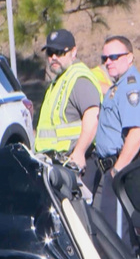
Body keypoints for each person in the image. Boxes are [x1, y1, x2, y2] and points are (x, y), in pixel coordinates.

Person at [93, 35, 140, 239]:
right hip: (114, 169)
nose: (108, 62)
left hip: (125, 170)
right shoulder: (118, 87)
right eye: (104, 58)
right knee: (109, 235)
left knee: (118, 239)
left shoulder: (131, 86)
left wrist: (117, 170)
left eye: (114, 57)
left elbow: (137, 133)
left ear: (129, 57)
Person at [35, 29, 107, 192]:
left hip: (77, 164)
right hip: (58, 165)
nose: (53, 57)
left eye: (59, 52)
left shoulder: (79, 78)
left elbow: (92, 116)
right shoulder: (59, 80)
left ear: (73, 52)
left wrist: (80, 153)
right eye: (50, 52)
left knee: (78, 215)